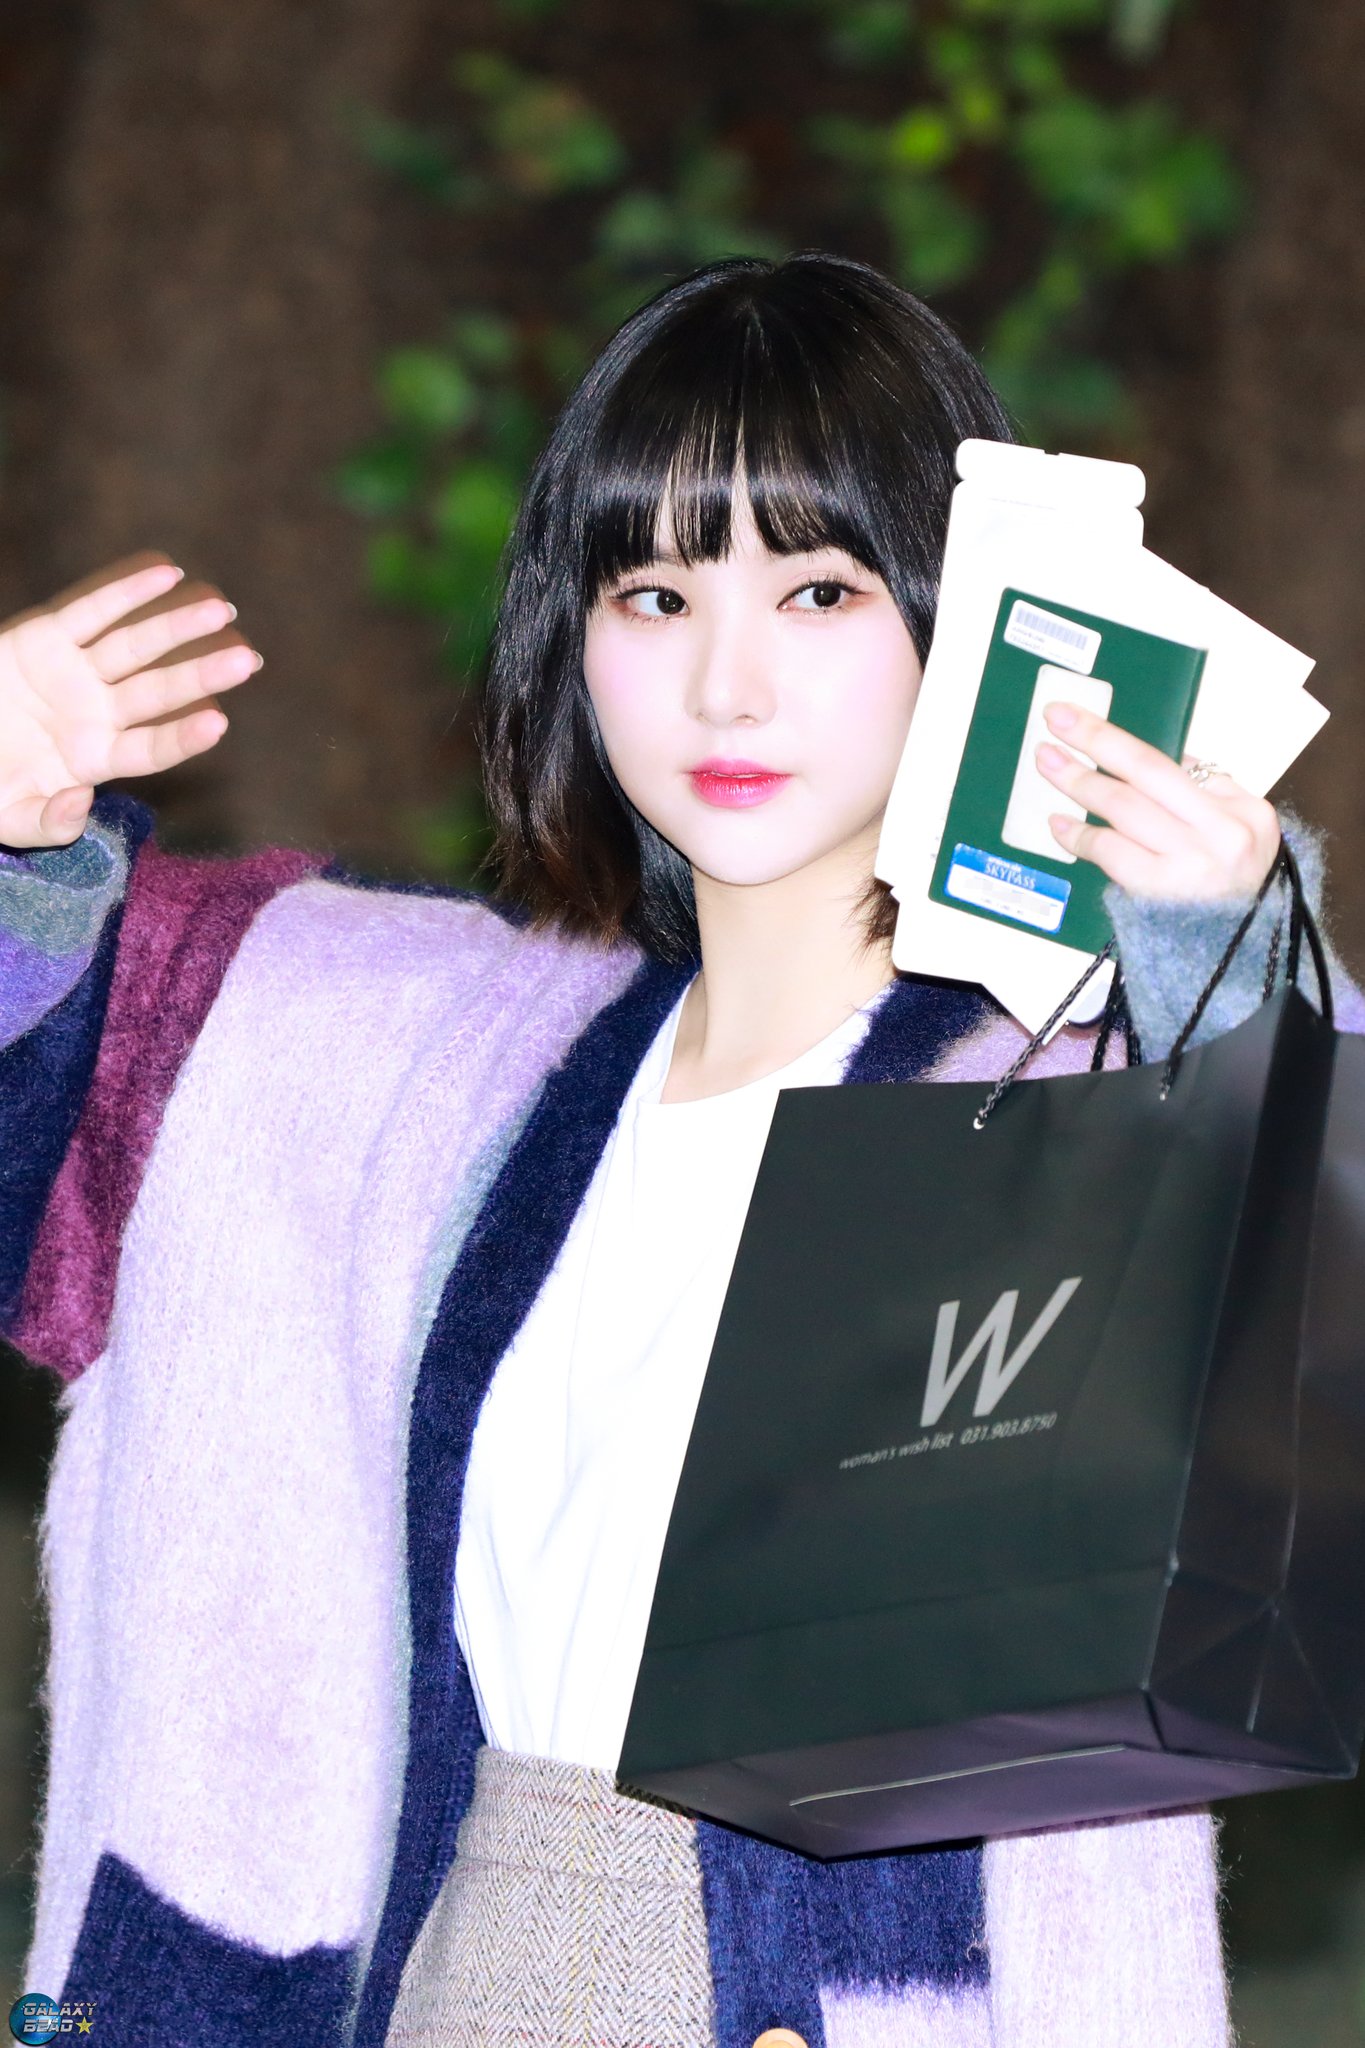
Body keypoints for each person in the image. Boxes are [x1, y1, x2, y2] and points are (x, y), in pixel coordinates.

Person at [0, 252, 1354, 2048]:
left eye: (817, 590)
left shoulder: (1079, 1111)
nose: (726, 686)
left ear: (968, 623)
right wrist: (15, 853)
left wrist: (1232, 972)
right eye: (651, 594)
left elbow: (1311, 1429)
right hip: (436, 1981)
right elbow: (45, 1123)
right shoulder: (394, 1055)